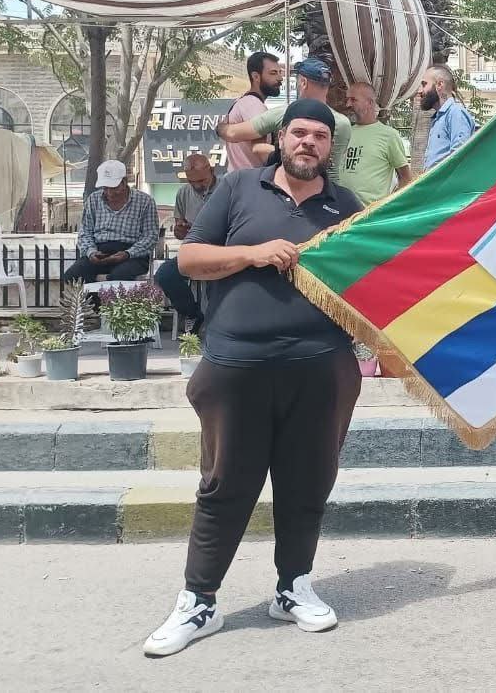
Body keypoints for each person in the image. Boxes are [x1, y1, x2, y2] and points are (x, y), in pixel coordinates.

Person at [143, 99, 364, 658]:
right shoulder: (240, 188)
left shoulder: (347, 206)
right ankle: (199, 601)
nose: (308, 142)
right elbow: (188, 261)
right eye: (299, 132)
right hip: (237, 365)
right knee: (225, 485)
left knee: (307, 482)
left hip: (322, 368)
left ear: (330, 146)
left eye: (319, 134)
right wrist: (253, 254)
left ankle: (293, 588)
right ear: (281, 139)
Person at [217, 58, 352, 182]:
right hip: (331, 192)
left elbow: (232, 133)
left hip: (296, 193)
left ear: (303, 83)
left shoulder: (287, 113)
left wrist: (221, 125)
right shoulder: (344, 123)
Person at [62, 160, 159, 283]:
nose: (109, 193)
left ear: (124, 182)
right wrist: (91, 252)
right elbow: (85, 232)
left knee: (119, 278)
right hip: (100, 251)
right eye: (105, 188)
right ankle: (94, 302)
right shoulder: (93, 199)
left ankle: (109, 302)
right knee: (72, 276)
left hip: (132, 254)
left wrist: (128, 253)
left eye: (113, 188)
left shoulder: (145, 201)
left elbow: (150, 236)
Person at [153, 154, 218, 334]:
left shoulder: (226, 189)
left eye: (202, 180)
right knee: (165, 274)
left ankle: (217, 322)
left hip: (220, 250)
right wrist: (180, 229)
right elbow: (178, 230)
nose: (197, 186)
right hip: (193, 250)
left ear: (212, 171)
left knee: (217, 278)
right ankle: (192, 314)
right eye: (192, 182)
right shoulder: (183, 193)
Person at [341, 81, 412, 205]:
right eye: (347, 100)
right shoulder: (345, 133)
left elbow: (406, 177)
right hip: (341, 212)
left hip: (370, 215)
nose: (348, 104)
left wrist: (389, 206)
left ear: (369, 103)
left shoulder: (389, 135)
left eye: (353, 100)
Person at [220, 51, 283, 171]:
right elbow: (260, 150)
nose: (280, 78)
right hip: (249, 182)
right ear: (256, 77)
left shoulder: (243, 102)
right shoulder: (253, 105)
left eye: (280, 72)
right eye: (273, 73)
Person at [418, 64, 476, 170]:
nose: (419, 91)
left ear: (440, 84)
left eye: (424, 84)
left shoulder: (456, 113)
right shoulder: (439, 117)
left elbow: (459, 157)